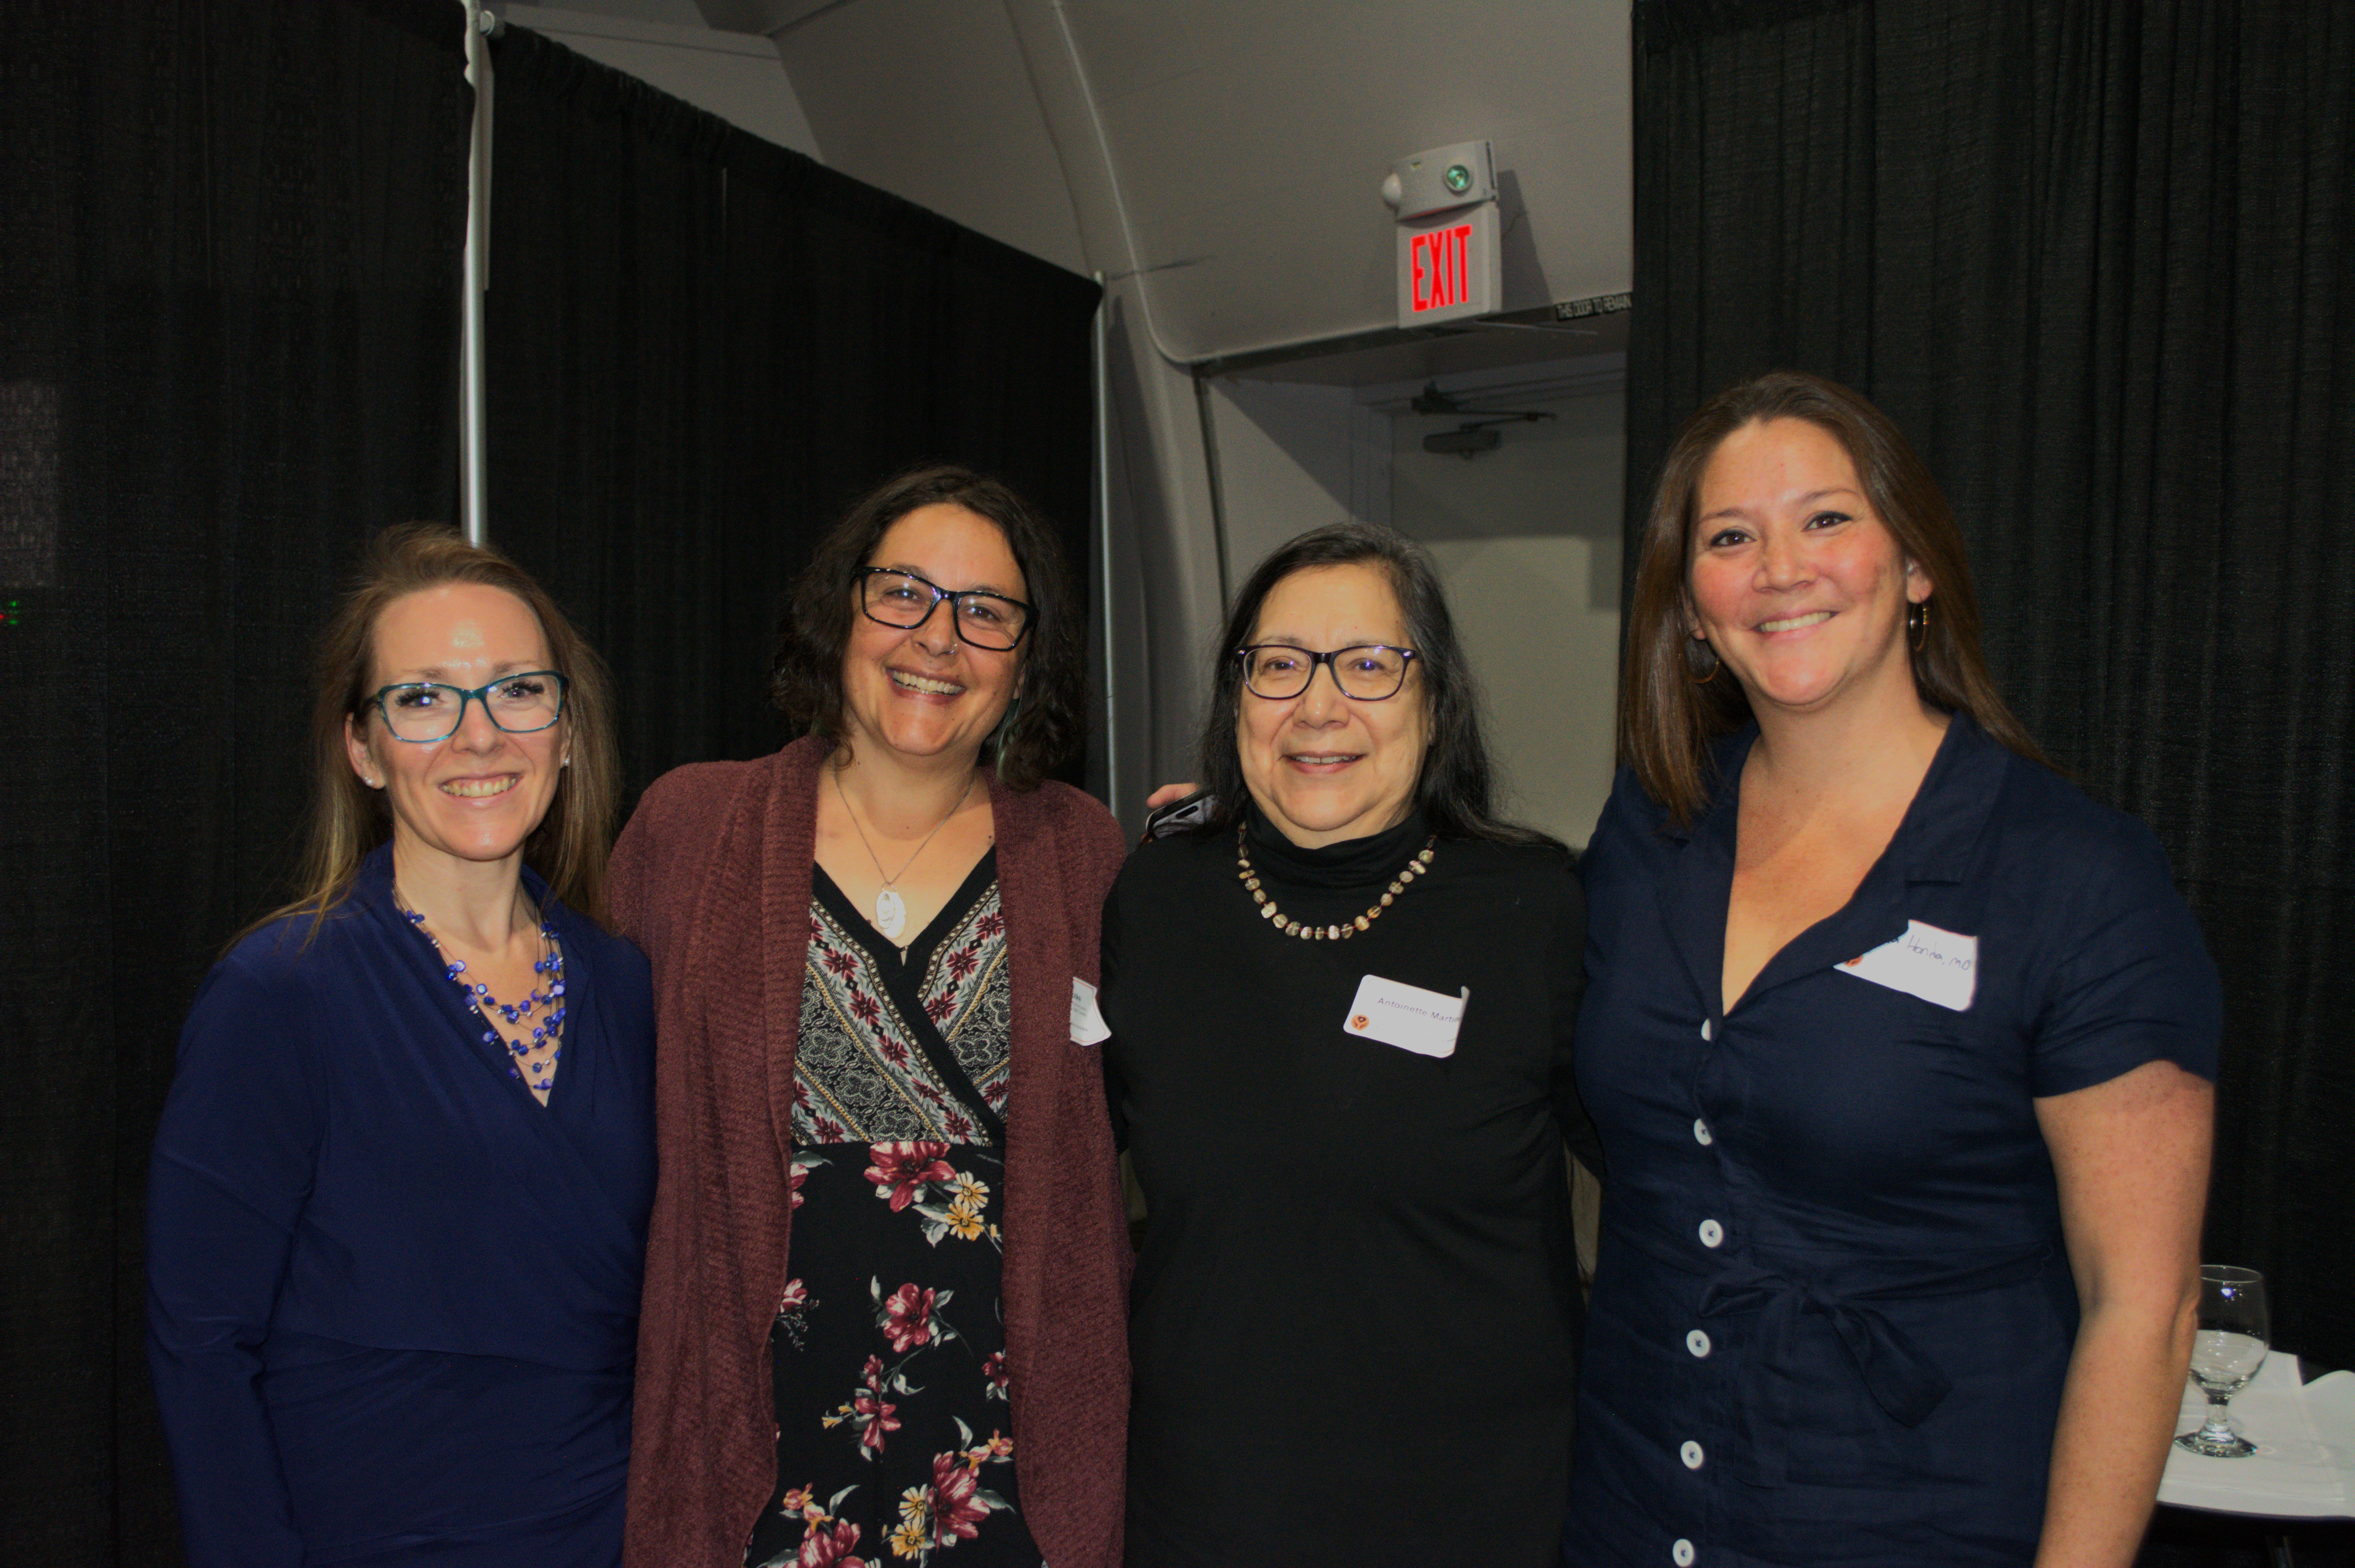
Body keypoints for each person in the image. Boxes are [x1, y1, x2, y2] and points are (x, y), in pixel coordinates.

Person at [1565, 371, 2217, 1567]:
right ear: (1690, 610)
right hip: (1634, 1502)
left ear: (1913, 564)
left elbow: (2144, 1308)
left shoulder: (2071, 878)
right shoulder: (1646, 832)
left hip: (1919, 1518)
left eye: (1824, 519)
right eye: (1728, 537)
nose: (1778, 567)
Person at [613, 466, 1130, 1568]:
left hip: (1001, 1454)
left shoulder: (1081, 850)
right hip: (752, 1443)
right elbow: (602, 1124)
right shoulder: (691, 828)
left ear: (1027, 659)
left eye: (986, 613)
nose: (938, 638)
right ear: (840, 610)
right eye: (903, 593)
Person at [147, 525, 654, 1567]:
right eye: (423, 698)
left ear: (566, 730)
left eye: (518, 690)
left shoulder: (631, 988)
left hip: (607, 1539)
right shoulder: (281, 992)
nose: (480, 736)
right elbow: (200, 1344)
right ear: (364, 748)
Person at [1100, 520, 1600, 1568]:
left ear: (1435, 698)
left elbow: (1672, 1183)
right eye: (1278, 663)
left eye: (1369, 663)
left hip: (1471, 1515)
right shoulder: (1153, 901)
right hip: (1205, 1511)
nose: (1317, 704)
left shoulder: (1535, 908)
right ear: (1236, 694)